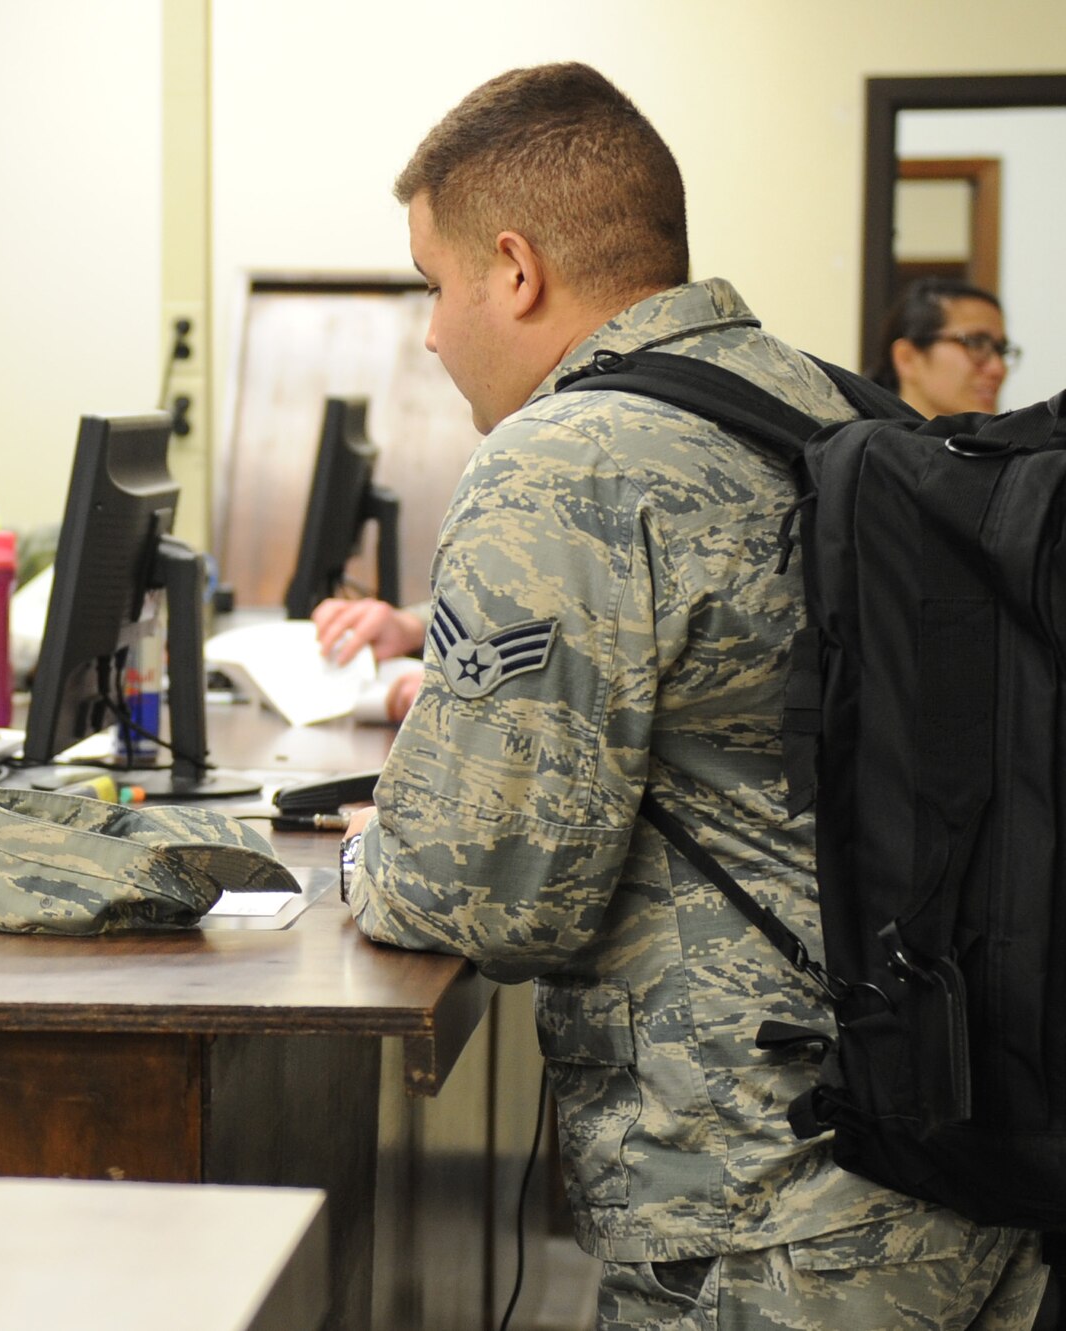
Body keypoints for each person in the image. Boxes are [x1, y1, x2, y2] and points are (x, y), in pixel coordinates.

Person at [341, 64, 1045, 1329]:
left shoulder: (561, 463)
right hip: (960, 1152)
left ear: (514, 269)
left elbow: (481, 892)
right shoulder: (830, 401)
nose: (434, 332)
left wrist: (370, 849)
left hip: (767, 1212)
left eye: (430, 286)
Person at [870, 277, 1018, 419]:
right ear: (907, 358)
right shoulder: (862, 442)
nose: (998, 369)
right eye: (975, 343)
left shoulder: (1006, 442)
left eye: (1001, 349)